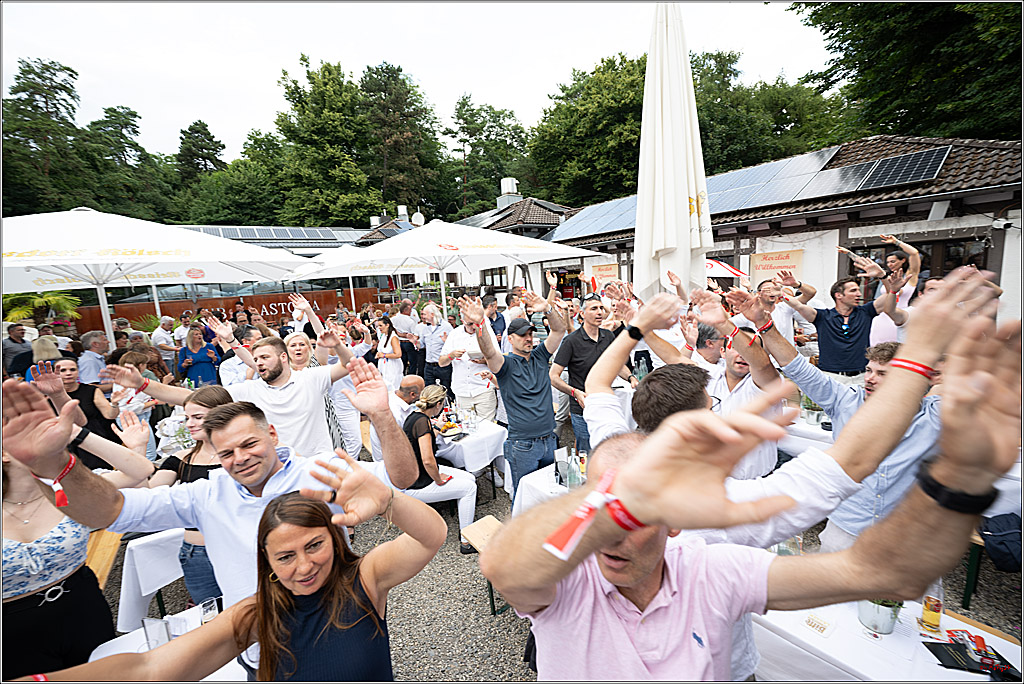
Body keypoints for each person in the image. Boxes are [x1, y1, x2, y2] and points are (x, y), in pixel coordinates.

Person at [480, 295, 1020, 680]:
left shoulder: (708, 562)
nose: (612, 534)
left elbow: (881, 568)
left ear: (673, 520)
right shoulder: (569, 576)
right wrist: (625, 500)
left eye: (640, 510)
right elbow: (505, 567)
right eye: (610, 509)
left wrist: (961, 476)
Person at [0, 359, 424, 651]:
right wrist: (52, 465)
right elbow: (108, 511)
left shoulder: (323, 468)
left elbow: (402, 479)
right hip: (260, 646)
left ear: (273, 435)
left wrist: (383, 417)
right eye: (227, 453)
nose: (240, 458)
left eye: (249, 444)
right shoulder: (205, 494)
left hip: (341, 625)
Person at [18, 474, 447, 682]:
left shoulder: (365, 578)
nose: (303, 566)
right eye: (285, 556)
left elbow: (432, 536)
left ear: (336, 538)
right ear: (265, 559)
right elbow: (149, 667)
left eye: (315, 546)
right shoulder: (256, 612)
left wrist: (389, 498)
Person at [2, 407, 155, 680]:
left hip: (82, 605)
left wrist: (75, 432)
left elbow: (140, 471)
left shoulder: (69, 488)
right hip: (11, 628)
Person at [462, 287, 564, 496]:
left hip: (549, 439)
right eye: (522, 335)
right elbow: (489, 351)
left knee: (550, 494)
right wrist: (480, 323)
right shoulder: (505, 364)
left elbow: (559, 331)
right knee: (524, 498)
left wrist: (548, 309)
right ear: (510, 338)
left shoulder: (540, 355)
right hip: (523, 445)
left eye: (530, 334)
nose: (528, 338)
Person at [149, 386, 233, 606]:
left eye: (198, 417)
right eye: (187, 417)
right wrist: (136, 450)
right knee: (212, 621)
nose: (189, 424)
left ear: (222, 414)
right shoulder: (181, 458)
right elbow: (148, 493)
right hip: (197, 555)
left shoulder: (243, 454)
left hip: (239, 547)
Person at [783, 249, 894, 385]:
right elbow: (798, 306)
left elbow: (892, 294)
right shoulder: (822, 316)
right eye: (853, 291)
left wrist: (882, 276)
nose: (858, 294)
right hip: (831, 377)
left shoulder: (866, 312)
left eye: (858, 290)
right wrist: (784, 291)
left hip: (862, 376)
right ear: (839, 295)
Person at [549, 292, 634, 454]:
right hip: (582, 408)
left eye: (601, 308)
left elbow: (617, 364)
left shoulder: (608, 336)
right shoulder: (571, 341)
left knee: (607, 450)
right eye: (594, 309)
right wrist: (575, 392)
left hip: (605, 404)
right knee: (587, 453)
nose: (600, 312)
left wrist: (631, 378)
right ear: (582, 313)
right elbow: (553, 376)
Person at [400, 384, 479, 554]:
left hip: (414, 472)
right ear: (438, 404)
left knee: (470, 478)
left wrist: (436, 428)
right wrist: (438, 479)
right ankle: (466, 542)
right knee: (470, 488)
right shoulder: (423, 422)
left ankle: (463, 515)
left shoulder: (416, 416)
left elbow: (424, 442)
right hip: (418, 482)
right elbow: (428, 460)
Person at [49, 358, 122, 466]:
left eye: (72, 369)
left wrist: (114, 403)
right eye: (63, 370)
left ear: (78, 371)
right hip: (64, 443)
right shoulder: (50, 395)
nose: (68, 373)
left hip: (92, 440)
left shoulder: (91, 391)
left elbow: (109, 415)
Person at [439, 304, 500, 422]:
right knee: (466, 426)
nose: (473, 327)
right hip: (461, 390)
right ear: (462, 321)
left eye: (475, 323)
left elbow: (499, 360)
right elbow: (441, 362)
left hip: (483, 388)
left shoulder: (486, 332)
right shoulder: (454, 334)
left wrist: (483, 360)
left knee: (487, 427)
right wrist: (451, 355)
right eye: (470, 324)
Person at [870, 234, 921, 345]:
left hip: (900, 317)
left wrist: (896, 242)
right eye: (888, 262)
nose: (890, 265)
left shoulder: (910, 276)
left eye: (893, 261)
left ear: (903, 260)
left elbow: (914, 253)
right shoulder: (886, 277)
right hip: (881, 319)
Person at [369, 375, 423, 463]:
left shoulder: (392, 396)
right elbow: (401, 445)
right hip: (391, 462)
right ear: (412, 394)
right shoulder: (394, 414)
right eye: (422, 391)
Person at [417, 304, 452, 393]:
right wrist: (415, 342)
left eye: (424, 314)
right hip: (429, 365)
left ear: (432, 314)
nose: (423, 316)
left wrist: (447, 342)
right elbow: (421, 345)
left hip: (443, 366)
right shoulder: (425, 328)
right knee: (429, 391)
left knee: (446, 390)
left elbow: (454, 345)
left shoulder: (446, 326)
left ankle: (446, 406)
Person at [374, 318, 404, 393]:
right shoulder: (383, 336)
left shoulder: (393, 337)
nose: (379, 328)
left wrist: (383, 355)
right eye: (378, 326)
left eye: (381, 325)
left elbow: (398, 354)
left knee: (392, 387)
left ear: (387, 325)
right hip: (384, 366)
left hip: (392, 366)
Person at [389, 301, 418, 376]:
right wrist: (405, 335)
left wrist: (399, 333)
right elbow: (415, 334)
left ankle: (401, 377)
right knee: (413, 363)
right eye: (410, 310)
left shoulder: (393, 319)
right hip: (408, 343)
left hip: (399, 343)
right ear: (406, 310)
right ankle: (411, 378)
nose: (411, 312)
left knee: (402, 363)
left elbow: (390, 327)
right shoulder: (410, 321)